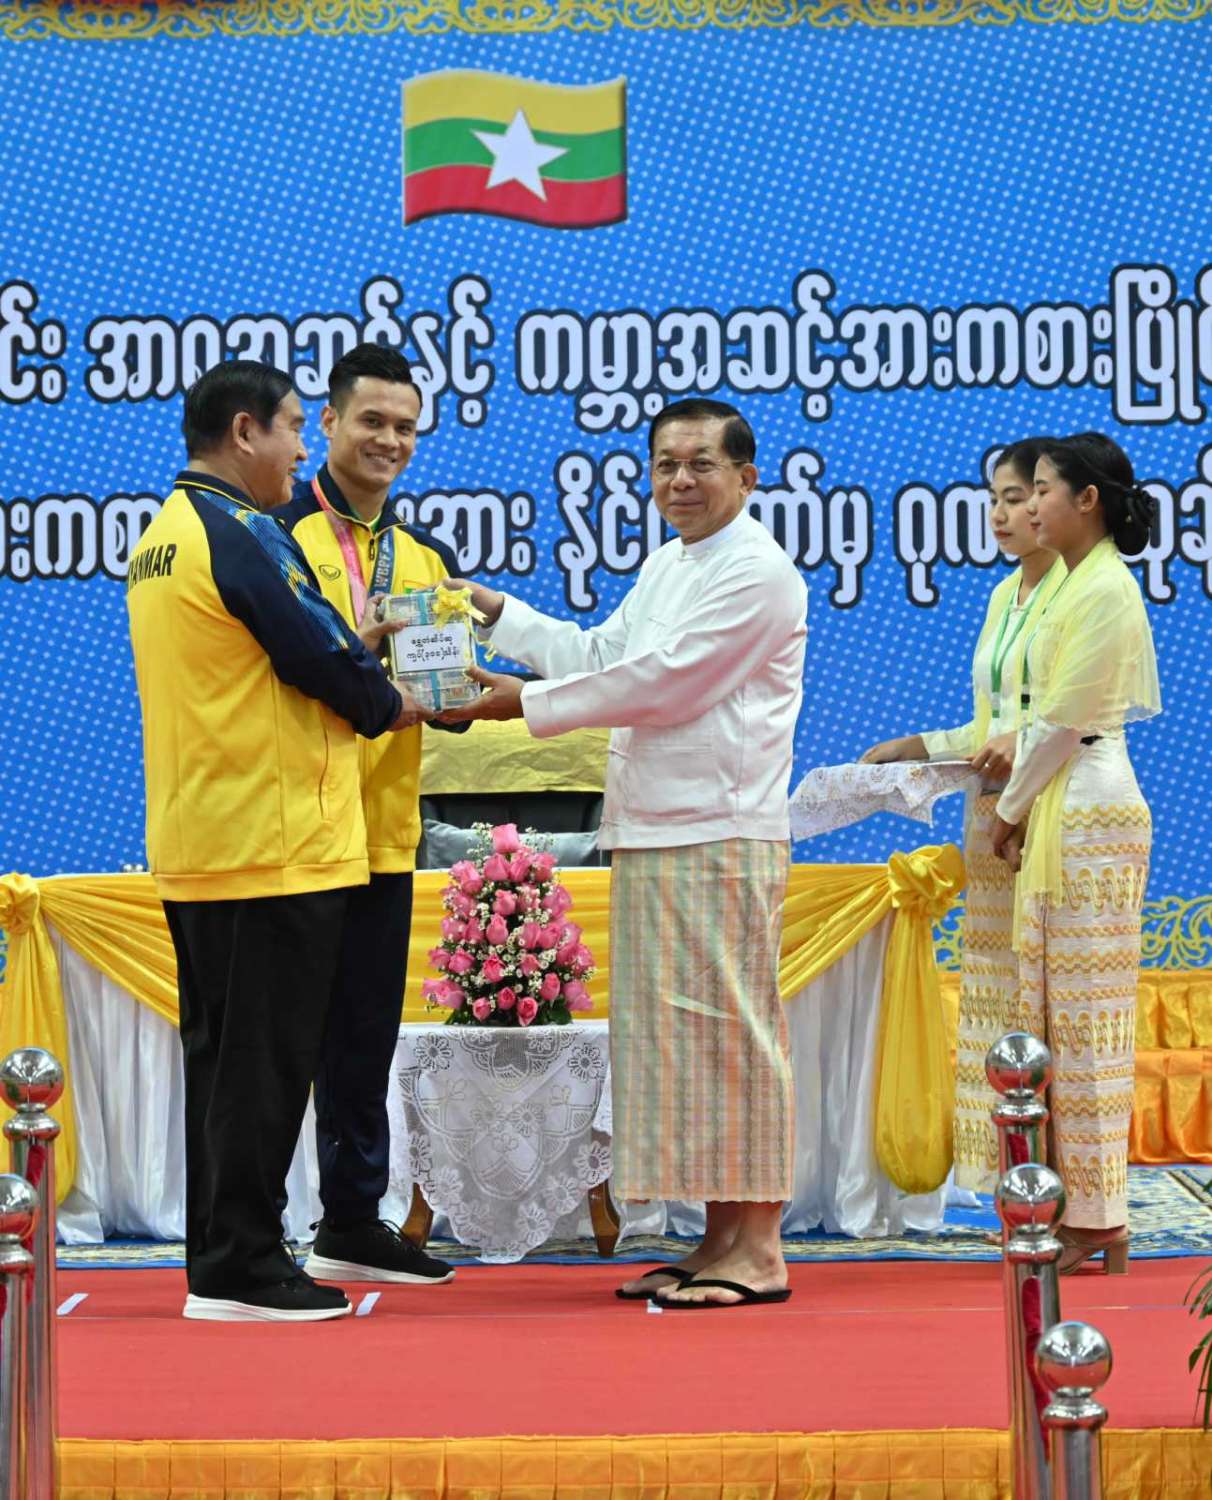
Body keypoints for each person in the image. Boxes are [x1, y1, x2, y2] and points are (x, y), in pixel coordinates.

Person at [439, 397, 808, 1309]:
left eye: (701, 464)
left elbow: (668, 683)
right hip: (654, 825)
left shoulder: (759, 571)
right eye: (666, 465)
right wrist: (497, 613)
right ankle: (718, 1237)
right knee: (685, 1046)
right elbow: (602, 651)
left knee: (734, 1037)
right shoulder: (671, 563)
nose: (680, 481)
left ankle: (761, 1248)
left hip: (719, 827)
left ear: (746, 476)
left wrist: (520, 704)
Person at [126, 360, 415, 1322]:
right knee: (260, 1066)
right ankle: (244, 1268)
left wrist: (356, 658)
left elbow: (290, 649)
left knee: (223, 1065)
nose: (300, 449)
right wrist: (389, 697)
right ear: (245, 430)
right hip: (270, 841)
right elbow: (315, 655)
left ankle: (222, 1255)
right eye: (294, 427)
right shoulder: (239, 530)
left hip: (211, 835)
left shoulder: (166, 532)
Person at [279, 343, 460, 1286]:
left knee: (362, 1038)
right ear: (330, 421)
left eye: (406, 428)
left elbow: (440, 694)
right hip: (295, 831)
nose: (390, 441)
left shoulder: (428, 560)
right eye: (373, 421)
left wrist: (460, 691)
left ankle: (351, 1220)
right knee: (282, 1042)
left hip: (384, 833)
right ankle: (253, 1234)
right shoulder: (273, 534)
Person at [860, 437, 1066, 1192]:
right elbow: (991, 726)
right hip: (989, 817)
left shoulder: (1079, 592)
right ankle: (1010, 1181)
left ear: (1060, 500)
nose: (1004, 514)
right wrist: (914, 746)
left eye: (1020, 497)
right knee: (997, 992)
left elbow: (1072, 714)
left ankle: (1068, 1184)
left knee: (1050, 996)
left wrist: (1023, 747)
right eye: (997, 499)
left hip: (1049, 808)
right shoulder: (1004, 594)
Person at [991, 432, 1158, 1274]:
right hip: (1060, 799)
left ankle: (1100, 1216)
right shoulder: (1066, 584)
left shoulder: (1104, 590)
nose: (1030, 506)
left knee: (1090, 1024)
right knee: (1052, 1018)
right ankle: (1070, 1205)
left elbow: (1060, 721)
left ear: (1086, 500)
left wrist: (1009, 809)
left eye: (1043, 490)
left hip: (1088, 808)